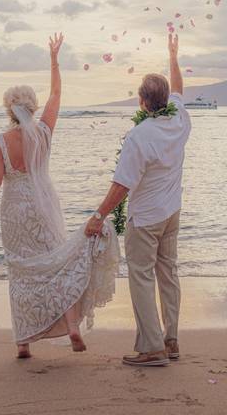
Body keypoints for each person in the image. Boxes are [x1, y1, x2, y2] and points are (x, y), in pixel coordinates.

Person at [0, 33, 119, 359]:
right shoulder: (45, 132)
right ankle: (72, 326)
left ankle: (23, 343)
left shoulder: (1, 141)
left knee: (21, 270)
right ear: (32, 106)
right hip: (45, 204)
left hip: (15, 209)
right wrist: (54, 60)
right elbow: (57, 92)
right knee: (56, 263)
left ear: (9, 110)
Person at [85, 32, 191, 366]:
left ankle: (152, 348)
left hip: (146, 218)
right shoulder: (180, 119)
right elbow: (180, 89)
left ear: (142, 101)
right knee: (168, 274)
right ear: (166, 101)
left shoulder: (139, 136)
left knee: (142, 277)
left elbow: (122, 186)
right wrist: (173, 56)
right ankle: (170, 340)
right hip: (171, 213)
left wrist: (98, 216)